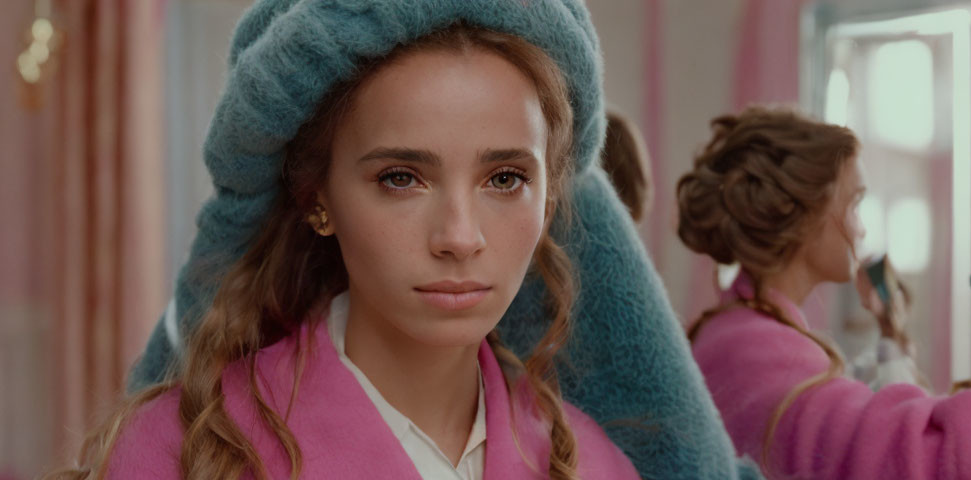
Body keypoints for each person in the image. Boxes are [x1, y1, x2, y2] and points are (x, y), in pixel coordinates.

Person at [49, 15, 641, 480]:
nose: (461, 237)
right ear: (317, 200)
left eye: (505, 178)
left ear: (549, 197)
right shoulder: (176, 454)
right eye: (401, 177)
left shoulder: (594, 466)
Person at [678, 106, 971, 479]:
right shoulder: (762, 353)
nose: (861, 227)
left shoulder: (740, 335)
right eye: (853, 204)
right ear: (802, 213)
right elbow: (946, 468)